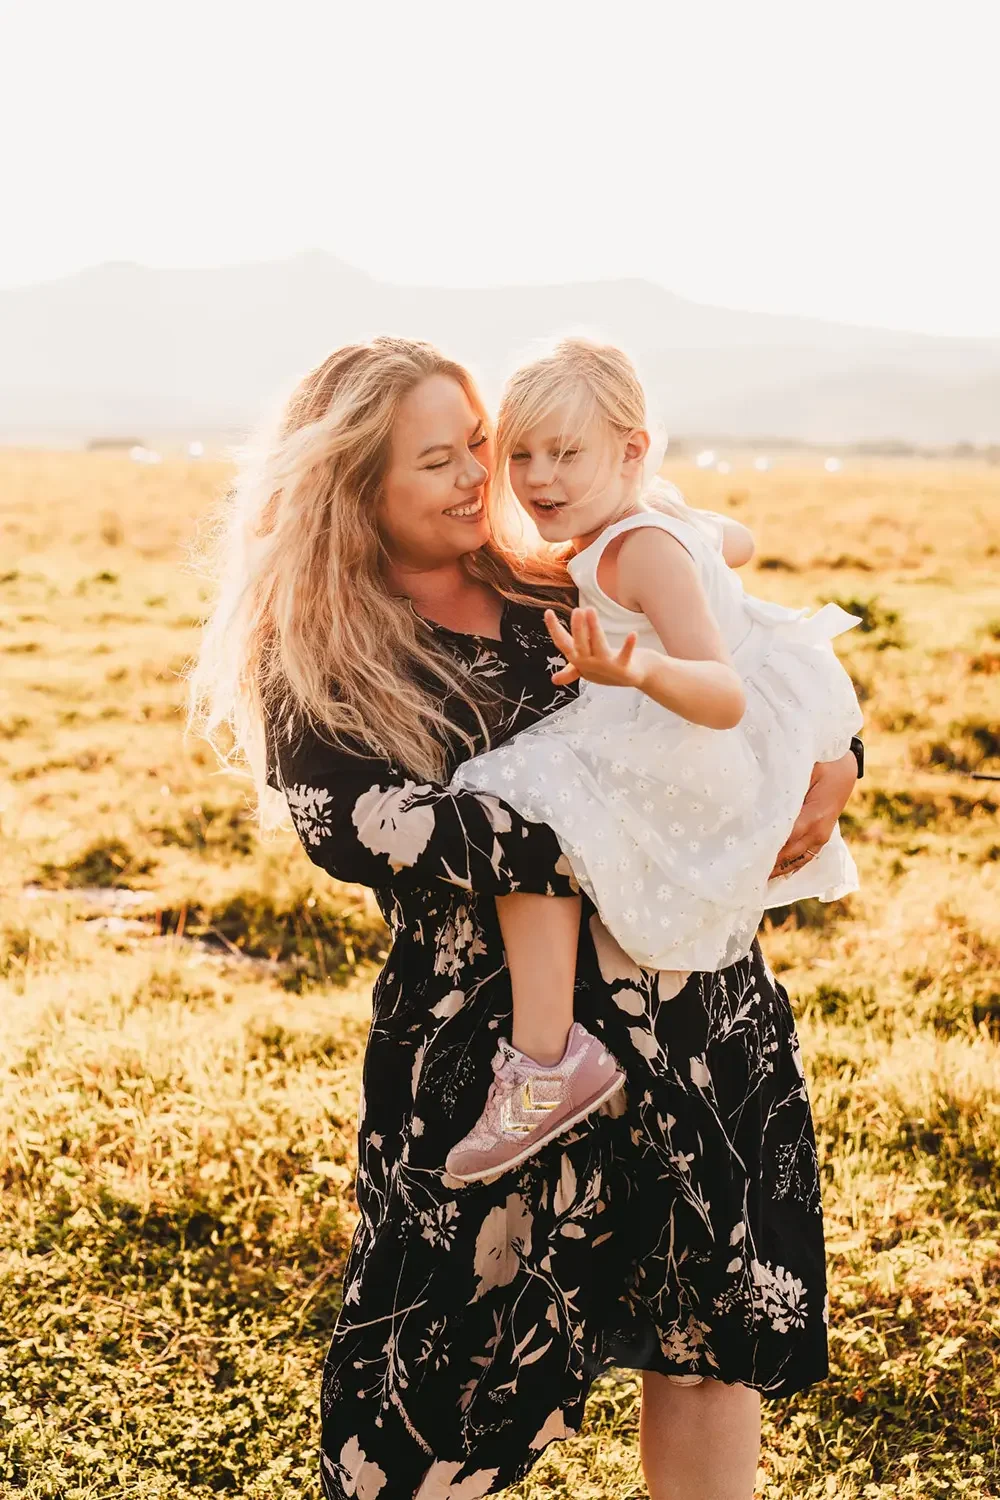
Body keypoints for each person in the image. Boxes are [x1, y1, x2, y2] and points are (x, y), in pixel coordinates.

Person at [189, 336, 862, 1500]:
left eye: (479, 449)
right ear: (356, 487)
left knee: (706, 1362)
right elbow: (364, 829)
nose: (475, 478)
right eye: (436, 461)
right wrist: (607, 830)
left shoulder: (565, 570)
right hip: (501, 1066)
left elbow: (742, 659)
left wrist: (835, 760)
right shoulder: (322, 650)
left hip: (694, 1029)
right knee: (428, 1407)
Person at [446, 339, 863, 1182]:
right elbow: (736, 541)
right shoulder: (658, 519)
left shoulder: (633, 550)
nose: (537, 477)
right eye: (520, 454)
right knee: (531, 794)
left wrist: (633, 664)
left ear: (632, 449)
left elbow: (720, 694)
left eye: (567, 453)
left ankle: (544, 1053)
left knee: (509, 795)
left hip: (701, 731)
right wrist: (697, 545)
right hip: (728, 712)